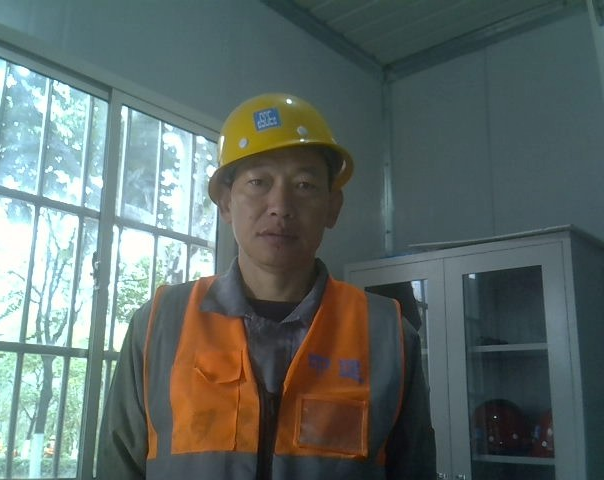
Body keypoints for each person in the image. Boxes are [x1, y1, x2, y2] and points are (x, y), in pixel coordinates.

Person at [97, 93, 436, 479]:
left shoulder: (388, 335)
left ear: (333, 207)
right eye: (258, 182)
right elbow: (118, 465)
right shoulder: (159, 325)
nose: (281, 206)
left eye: (305, 185)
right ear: (226, 204)